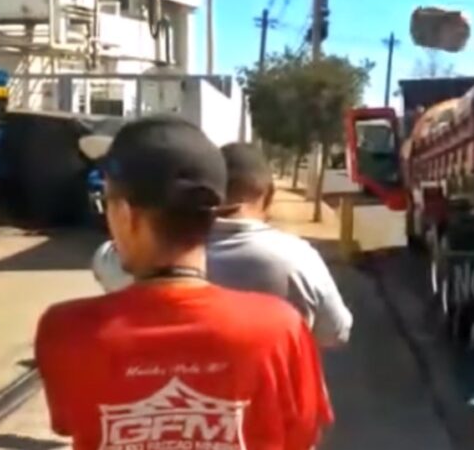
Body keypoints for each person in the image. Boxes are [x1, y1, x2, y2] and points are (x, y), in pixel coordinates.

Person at [36, 115, 332, 450]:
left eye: (106, 202)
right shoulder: (282, 329)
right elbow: (303, 438)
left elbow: (68, 422)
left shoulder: (66, 330)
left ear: (125, 214)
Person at [91, 142, 354, 348]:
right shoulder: (300, 258)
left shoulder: (163, 251)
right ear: (269, 195)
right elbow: (336, 333)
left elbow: (105, 260)